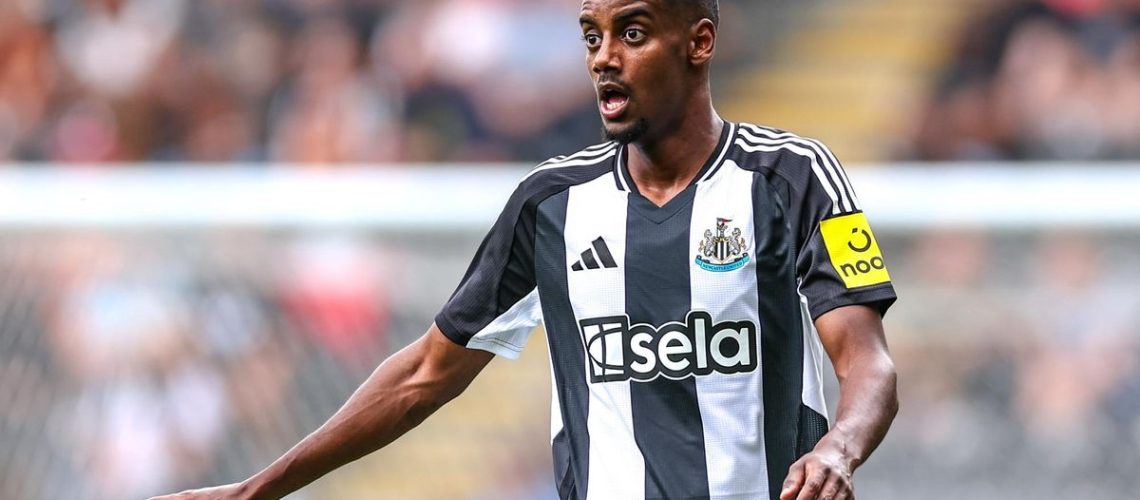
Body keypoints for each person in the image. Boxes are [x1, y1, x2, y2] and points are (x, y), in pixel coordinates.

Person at [153, 1, 899, 499]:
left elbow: (869, 362)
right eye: (591, 36)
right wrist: (260, 489)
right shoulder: (549, 204)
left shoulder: (797, 177)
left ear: (699, 41)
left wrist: (840, 447)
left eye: (632, 33)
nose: (605, 57)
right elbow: (424, 373)